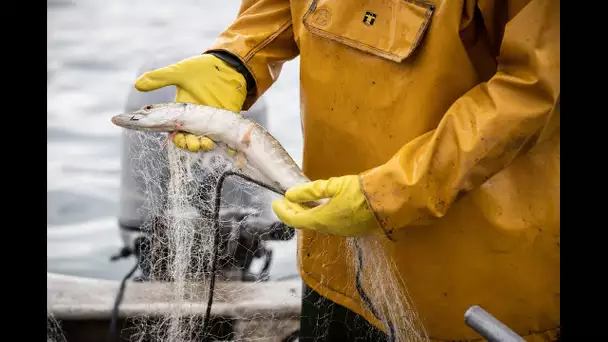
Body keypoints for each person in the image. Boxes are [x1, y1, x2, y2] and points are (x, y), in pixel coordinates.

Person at [134, 0, 560, 341]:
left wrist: (390, 193)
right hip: (330, 262)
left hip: (469, 292)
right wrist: (239, 56)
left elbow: (534, 91)